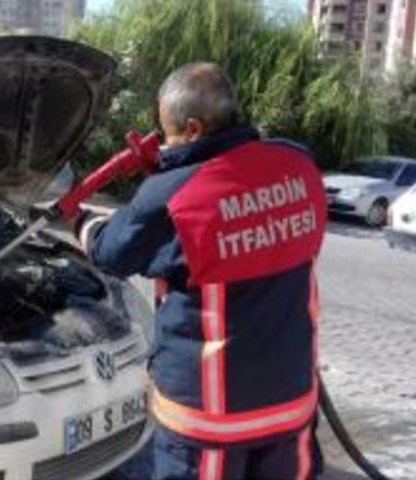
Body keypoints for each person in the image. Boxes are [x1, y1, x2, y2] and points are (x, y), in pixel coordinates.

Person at [75, 63, 328, 480]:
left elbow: (111, 253)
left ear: (193, 129)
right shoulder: (298, 164)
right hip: (291, 402)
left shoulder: (176, 195)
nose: (163, 146)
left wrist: (82, 222)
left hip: (210, 420)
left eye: (168, 135)